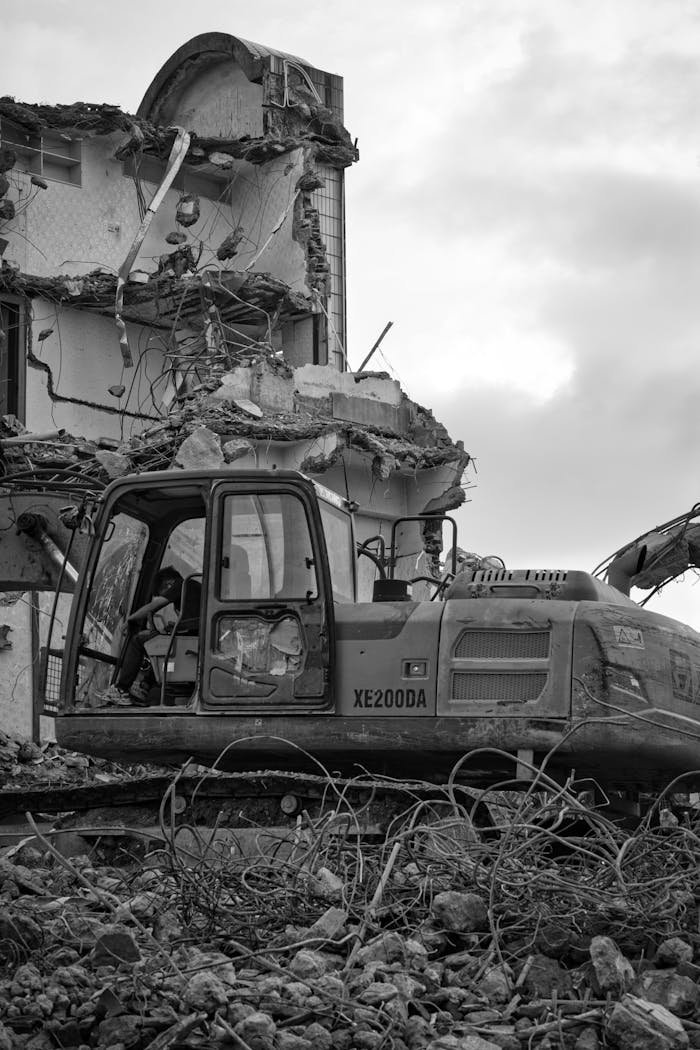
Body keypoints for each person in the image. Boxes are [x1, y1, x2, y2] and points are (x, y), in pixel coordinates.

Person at [101, 566, 202, 705]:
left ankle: (121, 689)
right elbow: (194, 618)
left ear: (169, 583)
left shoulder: (182, 584)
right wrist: (175, 627)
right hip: (192, 636)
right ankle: (145, 687)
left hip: (191, 639)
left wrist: (130, 620)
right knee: (156, 644)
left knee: (139, 640)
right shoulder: (193, 589)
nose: (166, 596)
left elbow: (152, 607)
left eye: (163, 593)